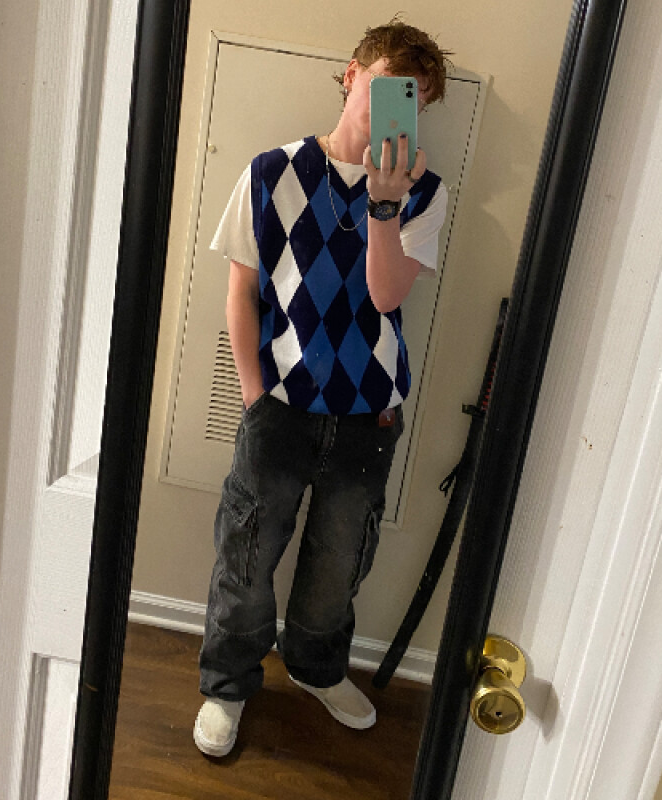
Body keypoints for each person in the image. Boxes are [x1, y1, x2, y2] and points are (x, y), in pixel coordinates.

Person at [193, 17, 452, 757]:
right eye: (388, 87)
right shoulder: (270, 172)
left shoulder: (425, 194)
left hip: (369, 415)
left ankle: (315, 668)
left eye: (414, 98)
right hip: (278, 405)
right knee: (246, 556)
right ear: (351, 75)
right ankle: (227, 684)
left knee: (339, 565)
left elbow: (386, 295)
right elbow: (240, 295)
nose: (397, 106)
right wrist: (254, 397)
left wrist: (384, 205)